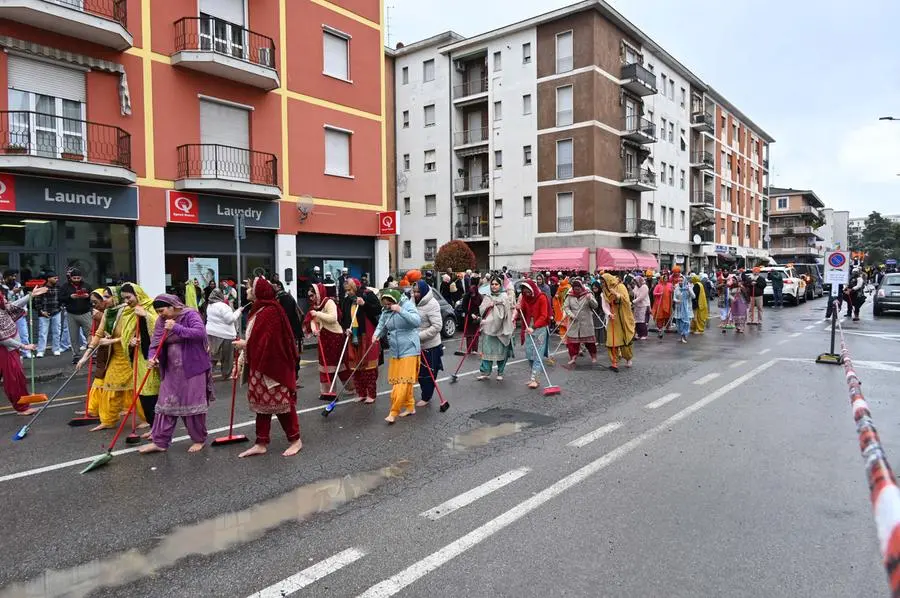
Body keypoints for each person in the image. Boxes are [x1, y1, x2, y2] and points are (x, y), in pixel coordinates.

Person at [234, 277, 302, 458]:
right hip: (259, 366)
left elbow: (270, 343)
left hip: (273, 367)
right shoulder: (258, 310)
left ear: (258, 291)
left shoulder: (270, 312)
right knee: (262, 406)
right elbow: (256, 340)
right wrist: (243, 358)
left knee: (282, 405)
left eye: (249, 288)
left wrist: (244, 345)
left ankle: (295, 440)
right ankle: (261, 442)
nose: (246, 291)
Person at [140, 295, 214, 454]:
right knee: (166, 404)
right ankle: (160, 442)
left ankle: (198, 439)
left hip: (193, 368)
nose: (161, 314)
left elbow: (200, 333)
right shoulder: (161, 321)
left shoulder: (190, 315)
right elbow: (155, 343)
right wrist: (152, 357)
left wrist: (176, 328)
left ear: (172, 306)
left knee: (191, 405)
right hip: (171, 369)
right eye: (158, 312)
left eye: (162, 310)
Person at [77, 287, 134, 431]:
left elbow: (132, 337)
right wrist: (85, 357)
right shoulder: (109, 312)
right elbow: (98, 334)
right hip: (112, 356)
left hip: (129, 356)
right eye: (103, 297)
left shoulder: (128, 312)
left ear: (115, 297)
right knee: (110, 386)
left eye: (107, 297)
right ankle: (108, 420)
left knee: (134, 388)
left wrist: (111, 341)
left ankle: (146, 418)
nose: (104, 300)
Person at [373, 288, 421, 424]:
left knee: (402, 382)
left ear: (395, 300)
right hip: (395, 350)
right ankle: (410, 406)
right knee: (400, 381)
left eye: (389, 304)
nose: (387, 307)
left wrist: (400, 310)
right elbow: (381, 325)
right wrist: (376, 335)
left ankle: (393, 412)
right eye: (385, 304)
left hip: (410, 349)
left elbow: (416, 321)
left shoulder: (408, 305)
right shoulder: (386, 311)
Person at [119, 283, 159, 434]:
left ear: (138, 294)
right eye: (124, 299)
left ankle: (158, 427)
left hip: (151, 357)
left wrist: (146, 316)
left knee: (151, 394)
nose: (127, 301)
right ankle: (152, 426)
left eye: (129, 297)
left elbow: (159, 325)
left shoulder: (151, 306)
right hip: (137, 357)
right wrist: (130, 342)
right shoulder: (127, 312)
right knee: (142, 394)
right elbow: (125, 336)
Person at [0, 285, 46, 415]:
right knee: (14, 380)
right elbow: (3, 339)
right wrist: (24, 346)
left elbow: (13, 305)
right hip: (6, 350)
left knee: (16, 378)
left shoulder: (2, 308)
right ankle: (22, 408)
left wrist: (30, 295)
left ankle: (22, 406)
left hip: (10, 349)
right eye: (2, 298)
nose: (4, 299)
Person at [340, 278, 381, 403]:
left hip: (367, 334)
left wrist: (364, 304)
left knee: (368, 366)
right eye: (346, 291)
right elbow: (345, 317)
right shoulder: (347, 300)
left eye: (350, 290)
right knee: (355, 366)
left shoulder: (367, 294)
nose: (349, 293)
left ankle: (371, 394)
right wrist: (346, 328)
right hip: (354, 335)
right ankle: (361, 392)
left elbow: (377, 309)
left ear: (356, 288)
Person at [304, 282, 346, 395]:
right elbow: (313, 321)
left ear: (318, 294)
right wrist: (314, 330)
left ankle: (351, 387)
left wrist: (318, 314)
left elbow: (333, 318)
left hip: (335, 335)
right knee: (324, 366)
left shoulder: (329, 302)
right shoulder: (314, 306)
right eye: (309, 296)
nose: (311, 298)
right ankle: (327, 391)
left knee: (338, 364)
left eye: (312, 296)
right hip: (323, 336)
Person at [476, 275, 515, 381]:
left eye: (496, 284)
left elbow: (505, 314)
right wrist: (489, 305)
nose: (494, 286)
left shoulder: (505, 297)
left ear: (500, 285)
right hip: (488, 328)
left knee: (501, 352)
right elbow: (482, 310)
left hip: (501, 329)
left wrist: (497, 305)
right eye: (492, 284)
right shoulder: (487, 297)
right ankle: (485, 372)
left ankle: (500, 372)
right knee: (487, 351)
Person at [413, 280, 444, 407]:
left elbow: (437, 326)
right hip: (415, 345)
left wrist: (419, 336)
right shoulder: (411, 302)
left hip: (430, 345)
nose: (415, 294)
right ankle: (425, 393)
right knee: (419, 373)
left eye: (418, 292)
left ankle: (426, 396)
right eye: (414, 291)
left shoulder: (432, 304)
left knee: (427, 374)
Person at [516, 279, 550, 389]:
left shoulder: (542, 297)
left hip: (539, 329)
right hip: (528, 328)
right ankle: (533, 376)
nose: (527, 294)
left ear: (532, 289)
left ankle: (535, 379)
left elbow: (544, 316)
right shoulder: (525, 299)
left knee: (537, 355)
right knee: (529, 353)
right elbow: (523, 313)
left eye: (528, 291)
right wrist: (518, 309)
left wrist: (534, 327)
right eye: (524, 292)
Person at [599, 273, 636, 371]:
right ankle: (614, 361)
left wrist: (617, 295)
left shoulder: (620, 286)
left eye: (603, 282)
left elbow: (627, 301)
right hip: (613, 317)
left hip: (623, 316)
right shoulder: (604, 292)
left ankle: (628, 358)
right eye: (601, 282)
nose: (602, 284)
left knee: (625, 339)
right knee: (612, 340)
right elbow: (605, 305)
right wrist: (609, 314)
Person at [205, 288, 243, 381]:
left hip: (211, 333)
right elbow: (230, 319)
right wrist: (238, 311)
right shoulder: (223, 306)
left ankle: (206, 373)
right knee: (227, 357)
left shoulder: (209, 306)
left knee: (213, 356)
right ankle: (226, 374)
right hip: (226, 334)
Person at [59, 268, 93, 364]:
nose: (77, 280)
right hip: (71, 314)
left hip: (85, 313)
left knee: (90, 334)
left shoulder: (86, 285)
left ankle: (92, 354)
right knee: (73, 336)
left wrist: (88, 296)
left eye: (78, 278)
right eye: (74, 278)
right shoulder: (65, 286)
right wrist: (70, 297)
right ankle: (76, 356)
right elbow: (60, 298)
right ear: (71, 277)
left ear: (81, 277)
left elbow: (94, 297)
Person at [562, 278, 598, 365]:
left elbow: (595, 306)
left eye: (578, 289)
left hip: (586, 321)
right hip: (574, 321)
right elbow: (566, 307)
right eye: (575, 289)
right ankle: (573, 357)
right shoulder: (569, 295)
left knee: (590, 342)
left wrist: (590, 299)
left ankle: (593, 356)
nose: (577, 291)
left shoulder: (587, 294)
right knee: (573, 343)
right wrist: (571, 315)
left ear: (581, 288)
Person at [1, 270, 30, 358]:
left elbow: (22, 298)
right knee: (10, 335)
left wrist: (25, 309)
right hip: (7, 314)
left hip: (18, 312)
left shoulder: (18, 285)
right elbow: (4, 301)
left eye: (15, 276)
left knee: (23, 333)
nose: (14, 278)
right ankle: (17, 352)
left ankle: (26, 351)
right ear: (6, 277)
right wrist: (12, 292)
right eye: (12, 276)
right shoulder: (2, 287)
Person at [33, 271, 62, 357]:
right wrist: (41, 311)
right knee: (43, 332)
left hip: (56, 312)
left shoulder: (58, 287)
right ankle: (41, 351)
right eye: (55, 278)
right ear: (49, 278)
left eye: (57, 278)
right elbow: (37, 301)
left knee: (57, 331)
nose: (57, 279)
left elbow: (61, 299)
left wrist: (61, 307)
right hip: (44, 313)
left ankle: (56, 349)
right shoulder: (42, 287)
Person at [460, 276, 482, 353]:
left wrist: (478, 315)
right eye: (471, 294)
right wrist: (469, 314)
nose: (472, 295)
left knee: (475, 334)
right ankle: (469, 349)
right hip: (469, 317)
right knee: (469, 334)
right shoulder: (467, 297)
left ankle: (475, 349)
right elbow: (463, 307)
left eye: (474, 294)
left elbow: (481, 307)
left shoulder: (479, 297)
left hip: (476, 316)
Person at [672, 275, 695, 344]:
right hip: (678, 308)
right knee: (679, 323)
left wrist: (689, 290)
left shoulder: (688, 287)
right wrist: (677, 301)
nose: (680, 282)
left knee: (686, 323)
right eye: (679, 280)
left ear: (684, 281)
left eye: (681, 280)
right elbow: (674, 298)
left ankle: (684, 336)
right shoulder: (677, 288)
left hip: (687, 309)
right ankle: (681, 336)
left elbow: (693, 296)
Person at [651, 273, 673, 339]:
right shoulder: (658, 286)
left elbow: (672, 291)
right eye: (665, 278)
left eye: (666, 278)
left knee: (667, 314)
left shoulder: (670, 285)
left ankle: (667, 326)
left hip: (667, 302)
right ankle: (659, 327)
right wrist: (659, 293)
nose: (666, 279)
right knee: (660, 316)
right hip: (659, 303)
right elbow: (654, 293)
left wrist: (672, 290)